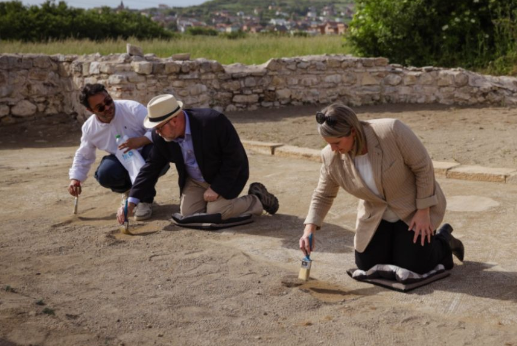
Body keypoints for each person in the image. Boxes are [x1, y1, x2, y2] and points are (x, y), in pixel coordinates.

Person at [299, 103, 464, 275]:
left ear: (353, 131)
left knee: (415, 265)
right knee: (367, 265)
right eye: (329, 143)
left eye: (337, 142)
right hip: (376, 214)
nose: (333, 149)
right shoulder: (330, 156)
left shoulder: (392, 130)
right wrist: (309, 229)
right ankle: (400, 246)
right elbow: (323, 194)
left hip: (413, 209)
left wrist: (423, 211)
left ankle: (444, 240)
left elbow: (423, 167)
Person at [116, 94, 279, 226]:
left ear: (174, 119)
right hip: (195, 181)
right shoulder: (160, 137)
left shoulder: (213, 122)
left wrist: (217, 188)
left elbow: (234, 158)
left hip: (225, 175)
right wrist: (132, 201)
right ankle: (225, 204)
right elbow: (150, 168)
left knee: (217, 213)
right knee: (188, 214)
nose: (156, 132)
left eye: (159, 127)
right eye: (154, 128)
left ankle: (256, 199)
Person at [67, 83, 167, 221]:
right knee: (105, 173)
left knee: (155, 155)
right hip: (121, 160)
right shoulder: (90, 128)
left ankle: (145, 200)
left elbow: (160, 130)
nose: (107, 107)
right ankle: (128, 191)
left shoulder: (133, 108)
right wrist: (75, 179)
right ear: (90, 110)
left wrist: (141, 140)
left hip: (146, 151)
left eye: (108, 101)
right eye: (100, 107)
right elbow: (84, 154)